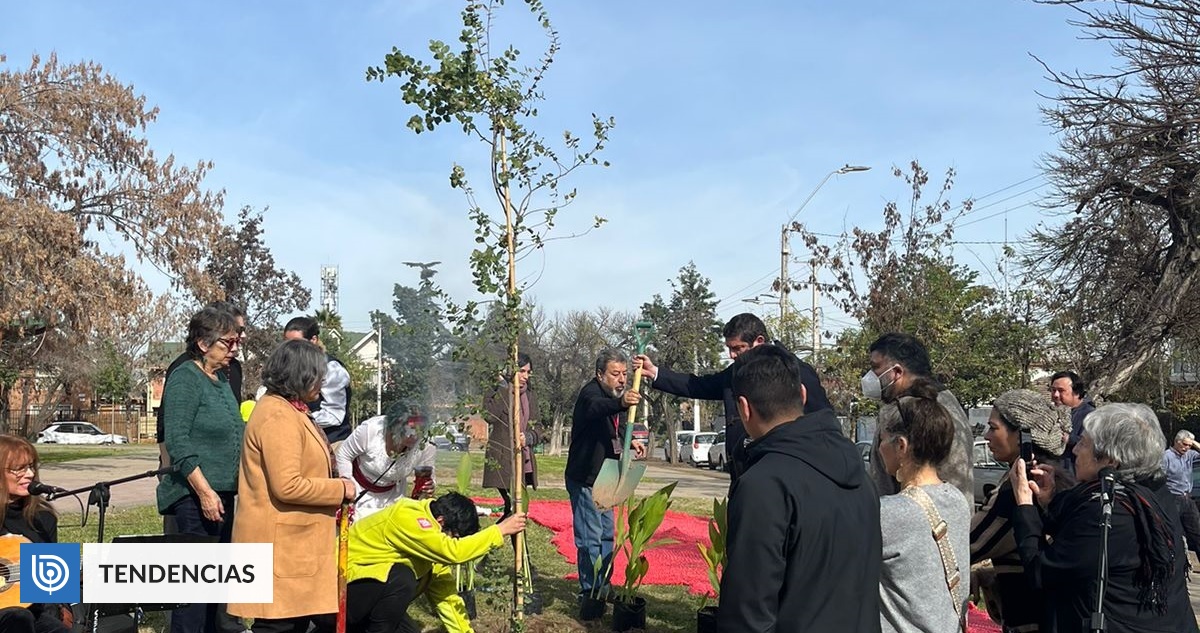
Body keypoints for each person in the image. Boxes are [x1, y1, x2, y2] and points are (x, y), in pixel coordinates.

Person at [718, 345, 881, 633]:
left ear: (744, 408)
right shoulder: (858, 472)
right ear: (803, 396)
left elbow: (748, 612)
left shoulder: (764, 485)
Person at [1011, 404, 1197, 632]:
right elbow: (1079, 538)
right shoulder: (1153, 491)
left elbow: (1041, 572)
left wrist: (1024, 505)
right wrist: (1049, 501)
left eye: (1084, 443)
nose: (1075, 450)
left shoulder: (1111, 511)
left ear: (1110, 460)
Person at [228, 339, 356, 633]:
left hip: (292, 545)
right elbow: (288, 485)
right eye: (317, 377)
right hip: (280, 546)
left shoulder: (291, 411)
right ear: (300, 375)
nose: (322, 385)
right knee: (277, 626)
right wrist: (341, 490)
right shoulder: (278, 415)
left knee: (291, 625)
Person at [633, 313, 830, 484]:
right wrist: (655, 372)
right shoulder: (736, 373)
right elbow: (699, 385)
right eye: (729, 348)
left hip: (788, 469)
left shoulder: (796, 371)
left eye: (738, 348)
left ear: (759, 341)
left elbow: (823, 421)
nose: (732, 355)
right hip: (743, 471)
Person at [156, 306, 245, 633]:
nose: (234, 349)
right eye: (228, 342)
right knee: (192, 595)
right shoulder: (186, 377)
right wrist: (205, 492)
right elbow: (177, 440)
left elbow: (236, 432)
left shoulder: (221, 379)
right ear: (203, 343)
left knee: (215, 590)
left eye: (236, 342)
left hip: (223, 494)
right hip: (194, 498)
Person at [345, 492, 527, 633]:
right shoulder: (407, 516)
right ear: (440, 521)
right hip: (337, 595)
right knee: (402, 577)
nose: (452, 542)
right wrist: (499, 531)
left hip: (363, 602)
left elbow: (446, 598)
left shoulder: (432, 548)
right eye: (454, 537)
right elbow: (453, 552)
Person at [969, 389, 1072, 632]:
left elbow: (967, 546)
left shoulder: (1018, 489)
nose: (986, 435)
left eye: (993, 428)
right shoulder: (1056, 477)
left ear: (1022, 436)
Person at [875, 380, 970, 633]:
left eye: (882, 439)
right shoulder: (957, 500)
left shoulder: (889, 513)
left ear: (901, 446)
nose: (879, 447)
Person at [564, 349, 646, 613]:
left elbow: (615, 425)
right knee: (590, 538)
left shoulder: (613, 398)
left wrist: (628, 438)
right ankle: (589, 592)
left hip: (607, 478)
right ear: (600, 374)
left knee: (607, 536)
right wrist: (622, 403)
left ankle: (604, 585)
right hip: (585, 478)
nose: (621, 379)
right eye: (615, 374)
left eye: (625, 374)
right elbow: (598, 409)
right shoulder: (591, 395)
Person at [864, 333, 974, 502]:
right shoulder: (951, 404)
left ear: (897, 372)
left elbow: (883, 483)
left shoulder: (901, 412)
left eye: (875, 367)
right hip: (956, 518)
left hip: (909, 519)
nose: (870, 376)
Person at [0, 435, 69, 633]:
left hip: (31, 611)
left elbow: (51, 589)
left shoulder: (43, 517)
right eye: (19, 468)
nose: (29, 474)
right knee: (18, 618)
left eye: (31, 466)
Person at [335, 402, 437, 520]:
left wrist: (429, 485)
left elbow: (428, 473)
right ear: (395, 426)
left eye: (420, 429)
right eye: (411, 429)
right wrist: (346, 482)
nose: (415, 435)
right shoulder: (371, 430)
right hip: (359, 492)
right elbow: (344, 454)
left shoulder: (425, 443)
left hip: (394, 495)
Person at [482, 352, 540, 518]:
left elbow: (540, 427)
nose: (526, 376)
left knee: (516, 511)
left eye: (528, 372)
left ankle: (499, 543)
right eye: (521, 371)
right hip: (502, 460)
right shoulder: (496, 391)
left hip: (524, 458)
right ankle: (489, 542)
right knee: (514, 508)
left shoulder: (530, 395)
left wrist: (529, 437)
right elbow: (490, 417)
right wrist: (503, 387)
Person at [283, 316, 352, 442]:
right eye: (287, 343)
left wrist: (297, 419)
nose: (290, 349)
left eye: (296, 344)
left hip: (332, 442)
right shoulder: (290, 368)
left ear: (313, 340)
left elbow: (334, 415)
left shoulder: (331, 369)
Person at [1162, 430, 1200, 569]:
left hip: (1187, 498)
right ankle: (1171, 565)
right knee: (1172, 532)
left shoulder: (1190, 455)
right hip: (1173, 498)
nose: (1187, 448)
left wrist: (1193, 442)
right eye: (1184, 444)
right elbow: (1159, 478)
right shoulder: (1166, 456)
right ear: (1176, 442)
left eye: (1189, 445)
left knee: (1197, 532)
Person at [1049, 370, 1095, 473]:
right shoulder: (1051, 413)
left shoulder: (1090, 416)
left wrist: (1070, 439)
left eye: (1061, 391)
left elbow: (1095, 447)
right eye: (1053, 390)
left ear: (1077, 393)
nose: (1056, 395)